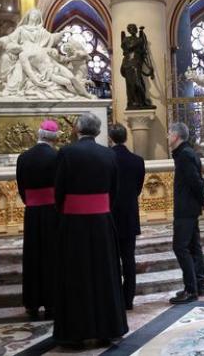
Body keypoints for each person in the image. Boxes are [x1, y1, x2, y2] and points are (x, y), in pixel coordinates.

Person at [53, 113, 128, 347]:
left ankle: (75, 334)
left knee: (75, 274)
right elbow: (114, 190)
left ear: (77, 129)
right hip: (102, 222)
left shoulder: (66, 153)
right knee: (105, 273)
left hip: (74, 223)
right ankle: (108, 329)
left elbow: (59, 190)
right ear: (97, 131)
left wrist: (66, 210)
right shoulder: (108, 154)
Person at [16, 120, 60, 319]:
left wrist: (31, 201)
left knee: (33, 256)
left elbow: (21, 188)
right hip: (53, 211)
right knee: (52, 256)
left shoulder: (24, 157)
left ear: (39, 135)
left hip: (32, 212)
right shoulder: (58, 156)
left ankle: (32, 303)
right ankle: (52, 303)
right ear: (55, 137)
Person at [168, 123, 204, 304]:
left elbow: (195, 180)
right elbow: (198, 179)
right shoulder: (186, 153)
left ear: (177, 136)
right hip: (190, 207)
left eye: (169, 133)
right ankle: (199, 286)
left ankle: (191, 289)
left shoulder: (185, 155)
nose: (167, 136)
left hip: (186, 208)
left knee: (180, 247)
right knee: (194, 247)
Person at [108, 123, 145, 310]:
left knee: (113, 259)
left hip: (110, 215)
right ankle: (128, 299)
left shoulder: (106, 158)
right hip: (130, 214)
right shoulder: (137, 160)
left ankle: (114, 299)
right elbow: (138, 188)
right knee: (129, 259)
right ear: (126, 137)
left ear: (110, 138)